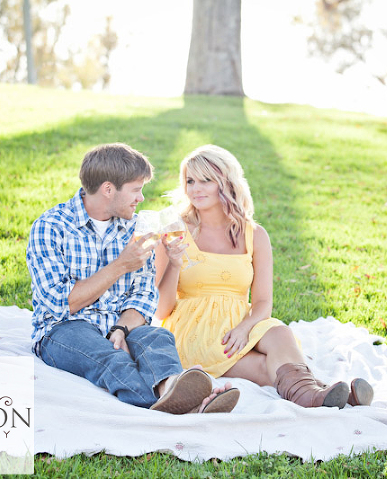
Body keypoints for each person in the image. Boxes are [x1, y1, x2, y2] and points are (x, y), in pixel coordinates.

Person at [26, 143, 239, 414]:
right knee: (112, 360)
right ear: (107, 189)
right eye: (136, 190)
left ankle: (173, 386)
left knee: (157, 339)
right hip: (64, 329)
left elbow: (143, 295)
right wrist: (119, 266)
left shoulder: (135, 229)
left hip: (119, 325)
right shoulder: (51, 227)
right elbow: (61, 303)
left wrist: (121, 329)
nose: (141, 199)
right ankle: (192, 406)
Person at [154, 145, 374, 409]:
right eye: (190, 181)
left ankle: (317, 395)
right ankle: (326, 396)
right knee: (264, 365)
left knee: (280, 333)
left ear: (226, 183)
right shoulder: (174, 231)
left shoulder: (254, 234)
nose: (195, 189)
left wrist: (245, 328)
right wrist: (175, 263)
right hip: (195, 329)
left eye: (206, 180)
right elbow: (161, 309)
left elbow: (262, 303)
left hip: (240, 322)